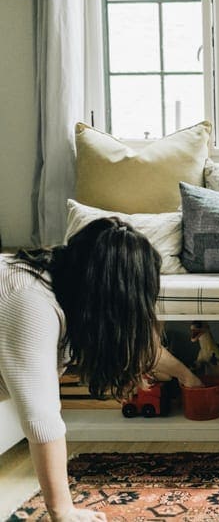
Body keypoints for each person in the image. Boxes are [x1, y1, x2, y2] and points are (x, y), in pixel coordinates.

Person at [0, 217, 203, 522]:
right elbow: (41, 418)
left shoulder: (64, 290)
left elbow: (139, 345)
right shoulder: (30, 302)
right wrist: (63, 511)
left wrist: (186, 375)